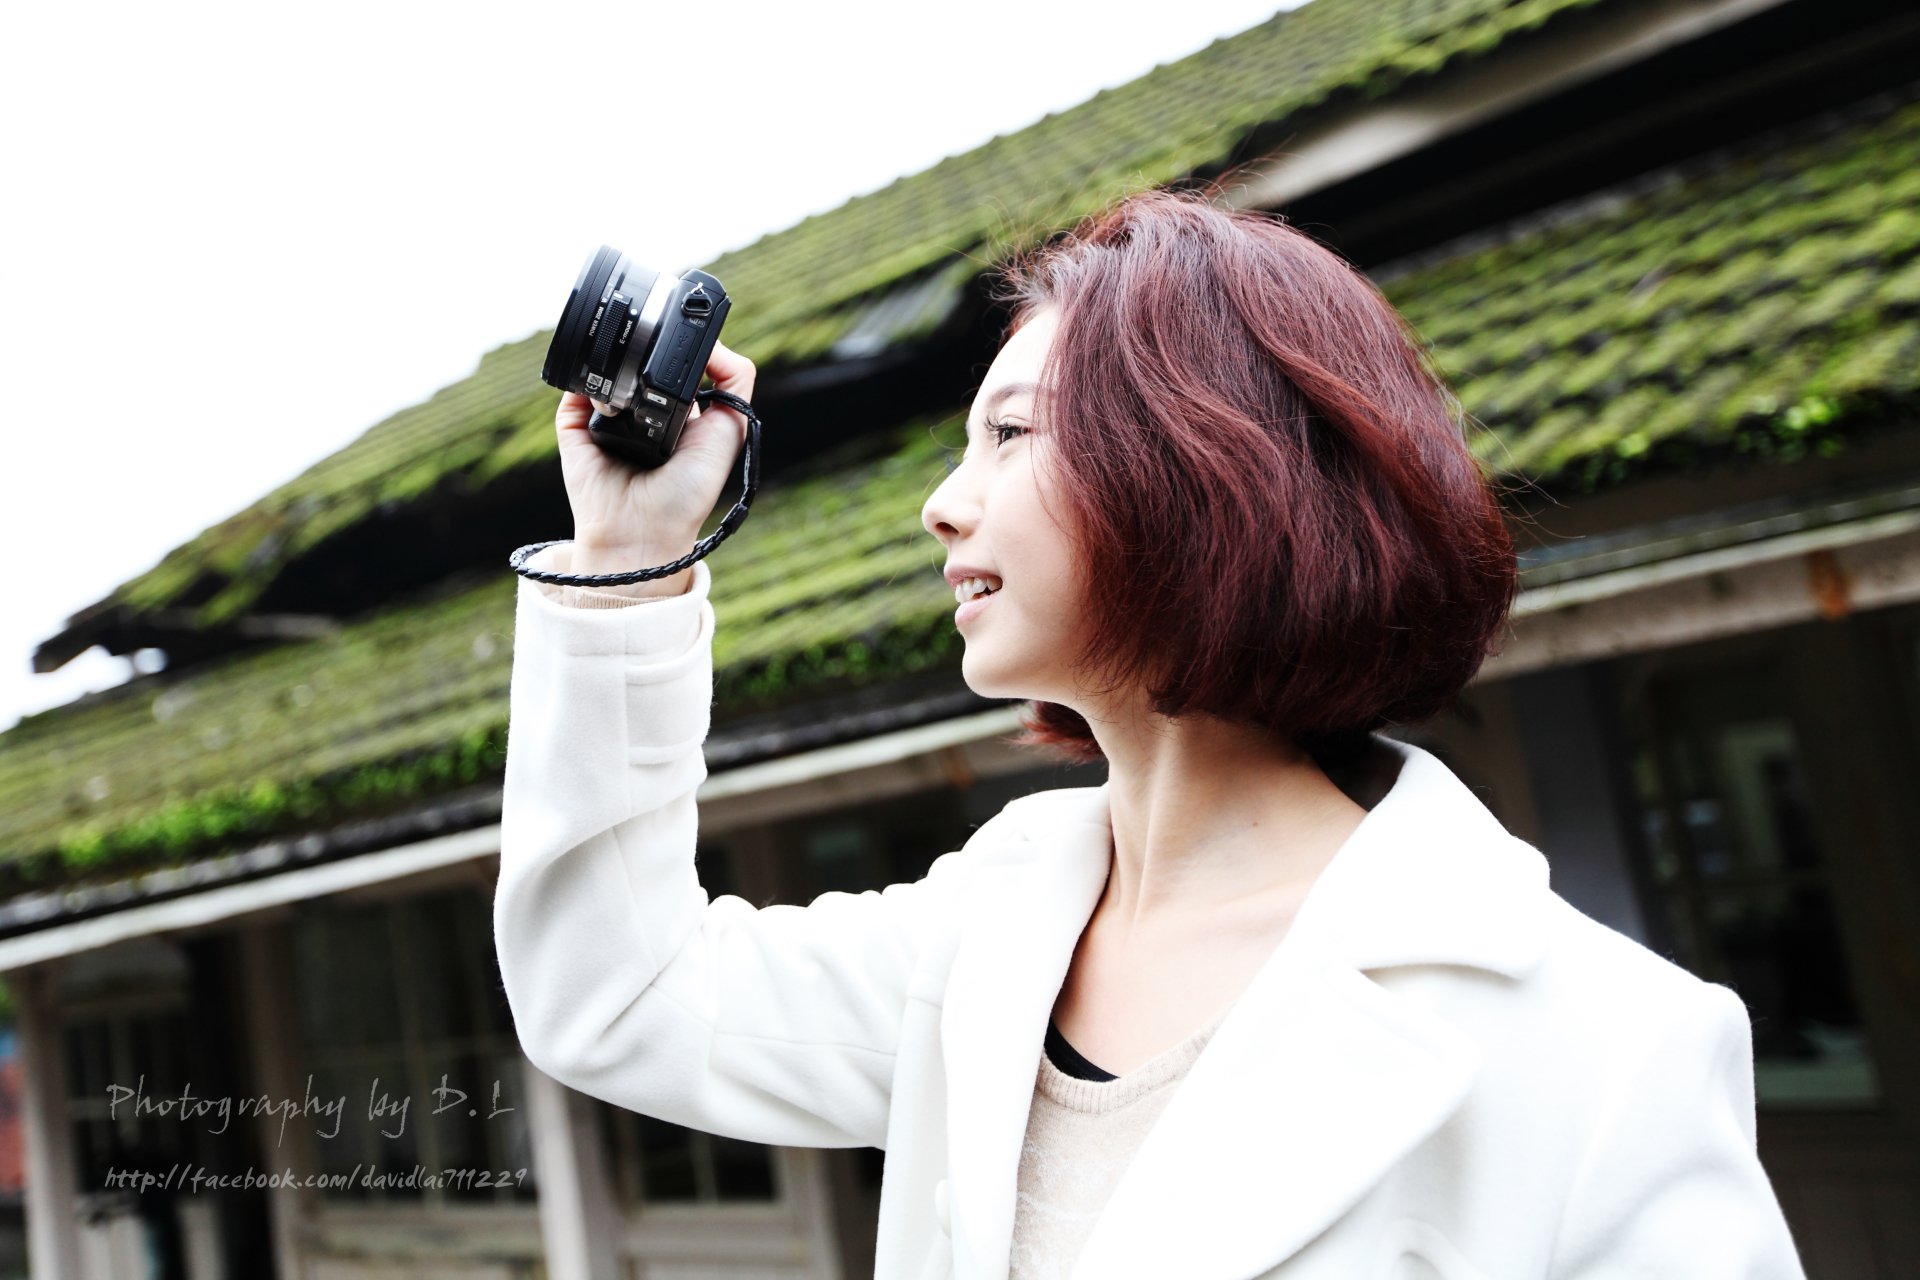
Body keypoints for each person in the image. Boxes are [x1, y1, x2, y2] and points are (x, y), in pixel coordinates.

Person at [493, 188, 1806, 1278]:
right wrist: (631, 550)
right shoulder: (981, 935)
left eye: (1009, 433)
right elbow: (623, 995)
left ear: (1203, 463)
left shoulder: (1609, 1048)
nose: (943, 507)